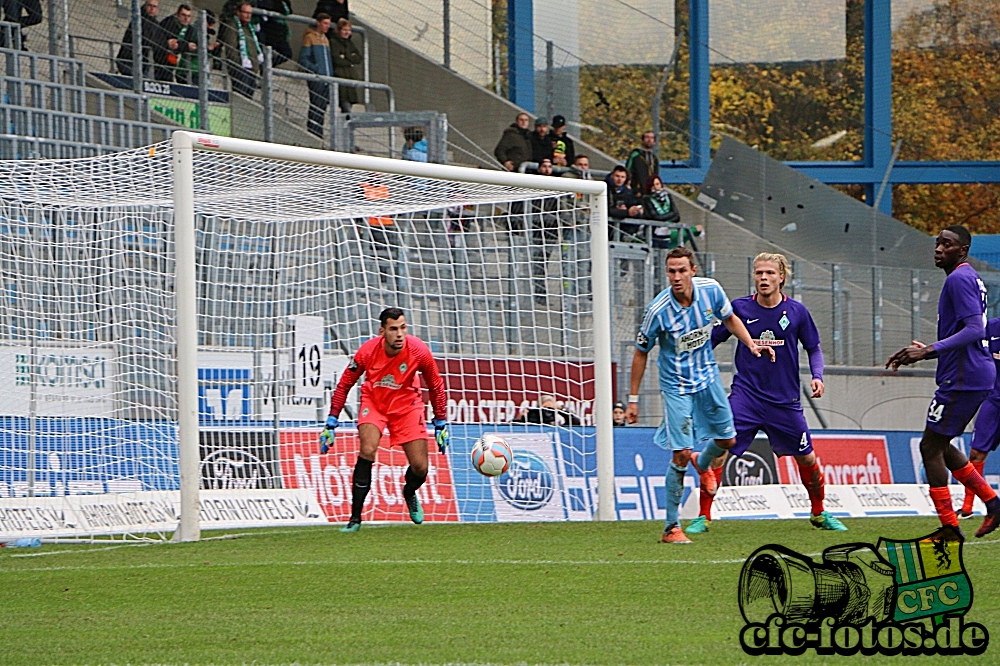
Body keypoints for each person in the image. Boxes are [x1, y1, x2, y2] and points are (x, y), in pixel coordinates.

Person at [626, 246, 774, 543]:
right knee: (680, 452)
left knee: (727, 440)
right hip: (676, 385)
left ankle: (703, 463)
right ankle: (671, 527)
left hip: (707, 378)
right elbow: (641, 352)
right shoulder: (658, 311)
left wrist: (751, 344)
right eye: (671, 271)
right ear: (666, 273)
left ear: (693, 270)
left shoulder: (711, 291)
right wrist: (632, 399)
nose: (677, 276)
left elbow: (730, 319)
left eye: (682, 270)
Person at [689, 253, 845, 534]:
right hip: (746, 396)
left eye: (770, 273)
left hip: (784, 401)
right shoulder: (739, 308)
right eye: (759, 272)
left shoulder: (797, 312)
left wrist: (818, 376)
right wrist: (691, 363)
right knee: (721, 446)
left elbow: (814, 348)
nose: (764, 278)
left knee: (807, 458)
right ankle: (704, 516)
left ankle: (819, 513)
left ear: (781, 277)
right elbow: (711, 339)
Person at [886, 225, 1000, 539]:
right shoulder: (968, 277)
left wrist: (930, 351)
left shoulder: (959, 279)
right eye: (937, 243)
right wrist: (929, 350)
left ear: (962, 250)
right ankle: (992, 503)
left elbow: (976, 330)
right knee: (941, 444)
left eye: (946, 244)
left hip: (964, 377)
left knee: (929, 447)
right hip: (970, 373)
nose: (938, 248)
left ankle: (950, 527)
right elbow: (968, 332)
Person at [320, 308, 450, 532]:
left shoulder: (418, 351)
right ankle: (355, 519)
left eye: (403, 328)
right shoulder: (367, 352)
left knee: (420, 467)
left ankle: (409, 492)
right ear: (383, 331)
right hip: (375, 402)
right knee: (368, 449)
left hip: (407, 405)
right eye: (393, 329)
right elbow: (344, 384)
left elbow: (436, 385)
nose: (399, 334)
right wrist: (332, 421)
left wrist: (440, 422)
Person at [116, 0, 177, 81]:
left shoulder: (155, 24)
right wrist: (166, 43)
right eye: (150, 6)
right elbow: (147, 40)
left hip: (143, 63)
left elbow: (159, 40)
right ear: (145, 6)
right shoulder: (139, 20)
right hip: (128, 60)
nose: (152, 9)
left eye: (154, 6)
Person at [298, 13, 333, 137]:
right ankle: (313, 131)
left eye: (329, 24)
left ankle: (319, 132)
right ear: (318, 23)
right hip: (317, 78)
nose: (327, 26)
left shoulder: (325, 39)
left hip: (327, 78)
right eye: (325, 23)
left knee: (322, 107)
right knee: (316, 105)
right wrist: (316, 69)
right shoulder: (310, 38)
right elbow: (303, 59)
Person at [219, 2, 262, 98]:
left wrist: (255, 66)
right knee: (240, 96)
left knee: (248, 97)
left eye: (250, 13)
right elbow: (231, 47)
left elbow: (253, 48)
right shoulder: (232, 25)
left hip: (251, 69)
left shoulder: (249, 28)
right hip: (239, 68)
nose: (248, 15)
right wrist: (238, 65)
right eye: (245, 12)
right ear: (238, 12)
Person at [330, 18, 362, 114]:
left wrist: (345, 56)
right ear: (339, 30)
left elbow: (358, 58)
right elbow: (337, 60)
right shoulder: (334, 42)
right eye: (344, 30)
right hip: (340, 75)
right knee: (345, 105)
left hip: (350, 77)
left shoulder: (349, 43)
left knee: (349, 105)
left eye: (348, 30)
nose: (347, 32)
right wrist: (350, 59)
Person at [159, 4, 198, 82]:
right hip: (160, 60)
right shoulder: (168, 23)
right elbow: (171, 43)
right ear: (177, 14)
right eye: (183, 15)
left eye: (189, 16)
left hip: (173, 61)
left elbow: (188, 44)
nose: (186, 18)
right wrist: (186, 46)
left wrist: (184, 46)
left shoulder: (190, 29)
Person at [606, 166, 642, 240]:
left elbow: (632, 205)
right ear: (612, 176)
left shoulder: (627, 191)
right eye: (617, 176)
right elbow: (606, 210)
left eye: (622, 177)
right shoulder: (604, 187)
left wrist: (636, 211)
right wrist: (626, 212)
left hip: (622, 229)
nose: (620, 179)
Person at [256, 0, 294, 65]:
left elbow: (288, 11)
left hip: (280, 32)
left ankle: (266, 66)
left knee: (287, 54)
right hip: (267, 30)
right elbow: (269, 6)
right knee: (264, 51)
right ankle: (264, 66)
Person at [513, 395, 582, 426]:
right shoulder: (531, 420)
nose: (547, 411)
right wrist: (519, 418)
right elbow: (512, 427)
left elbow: (576, 423)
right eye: (545, 408)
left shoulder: (557, 427)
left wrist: (561, 410)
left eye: (550, 408)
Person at [626, 131, 659, 196]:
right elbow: (628, 170)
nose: (649, 140)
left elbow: (656, 175)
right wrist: (635, 189)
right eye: (647, 137)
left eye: (652, 138)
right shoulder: (635, 155)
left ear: (654, 142)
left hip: (651, 191)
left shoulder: (654, 158)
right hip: (637, 191)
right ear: (642, 140)